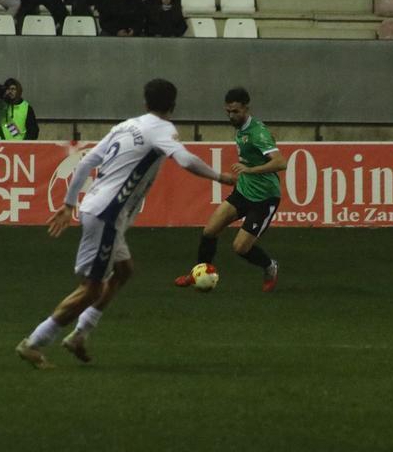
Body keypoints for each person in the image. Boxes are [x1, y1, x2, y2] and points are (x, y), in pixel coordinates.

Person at [16, 79, 236, 367]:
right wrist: (221, 178)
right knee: (91, 289)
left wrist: (69, 203)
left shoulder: (125, 126)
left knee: (123, 270)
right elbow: (184, 159)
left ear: (145, 102)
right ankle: (34, 343)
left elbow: (84, 163)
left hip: (99, 208)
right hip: (108, 213)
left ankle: (80, 335)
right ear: (172, 106)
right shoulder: (162, 129)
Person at [174, 87, 285, 292]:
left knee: (240, 248)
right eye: (228, 111)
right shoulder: (242, 129)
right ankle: (198, 273)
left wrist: (250, 170)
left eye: (235, 111)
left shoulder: (258, 133)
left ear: (246, 108)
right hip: (243, 192)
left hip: (265, 198)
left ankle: (270, 266)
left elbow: (280, 163)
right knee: (209, 231)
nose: (231, 116)